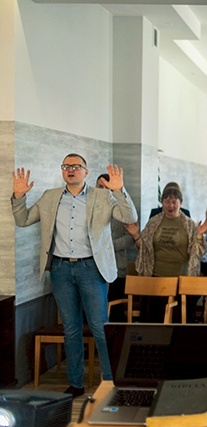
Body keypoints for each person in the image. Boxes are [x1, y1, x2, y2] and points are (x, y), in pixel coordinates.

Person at [11, 154, 138, 398]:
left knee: (100, 327)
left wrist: (120, 190)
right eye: (66, 166)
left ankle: (110, 382)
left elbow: (129, 217)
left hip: (91, 269)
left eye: (76, 166)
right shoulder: (50, 197)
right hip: (60, 270)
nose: (71, 170)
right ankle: (76, 384)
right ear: (62, 171)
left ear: (85, 172)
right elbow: (23, 219)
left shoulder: (103, 196)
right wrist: (19, 197)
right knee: (71, 329)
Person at [126, 186, 207, 322]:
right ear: (162, 203)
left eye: (174, 202)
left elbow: (199, 251)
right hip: (155, 278)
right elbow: (144, 250)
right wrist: (135, 234)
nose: (170, 205)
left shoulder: (189, 225)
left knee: (176, 321)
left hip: (179, 280)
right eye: (166, 201)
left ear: (180, 204)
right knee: (154, 320)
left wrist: (199, 235)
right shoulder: (154, 222)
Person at [96, 174, 136, 322]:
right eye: (101, 187)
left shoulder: (123, 210)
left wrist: (107, 246)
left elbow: (130, 237)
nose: (105, 190)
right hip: (93, 268)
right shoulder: (90, 208)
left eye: (108, 187)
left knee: (115, 313)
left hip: (117, 268)